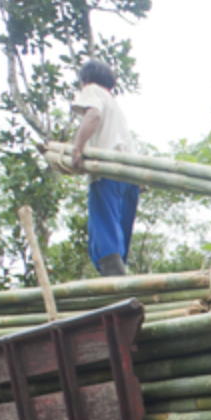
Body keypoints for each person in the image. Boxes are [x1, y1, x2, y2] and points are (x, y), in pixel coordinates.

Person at [70, 59, 140, 277]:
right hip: (131, 175)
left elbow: (93, 115)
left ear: (87, 80)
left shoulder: (92, 91)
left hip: (108, 171)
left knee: (105, 229)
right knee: (120, 230)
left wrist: (78, 147)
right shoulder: (114, 103)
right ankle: (118, 274)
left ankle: (113, 274)